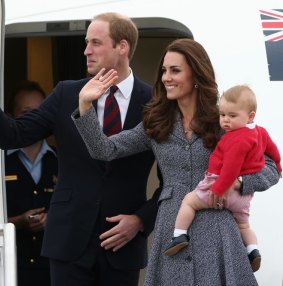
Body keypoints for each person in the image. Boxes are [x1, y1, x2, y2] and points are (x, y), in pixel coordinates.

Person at [73, 38, 281, 285]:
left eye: (175, 70)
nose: (166, 78)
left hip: (219, 230)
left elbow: (272, 168)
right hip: (172, 230)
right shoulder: (156, 122)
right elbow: (105, 149)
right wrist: (85, 104)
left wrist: (239, 182)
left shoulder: (224, 120)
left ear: (196, 75)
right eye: (164, 70)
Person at [0, 12, 162, 286]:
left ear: (122, 47)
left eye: (96, 43)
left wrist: (141, 220)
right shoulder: (66, 93)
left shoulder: (154, 103)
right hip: (68, 242)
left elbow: (174, 180)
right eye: (86, 42)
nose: (86, 50)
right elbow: (13, 135)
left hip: (122, 243)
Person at [163, 84, 282, 273]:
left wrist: (218, 190)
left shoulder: (235, 139)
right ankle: (253, 250)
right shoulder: (260, 132)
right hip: (243, 197)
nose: (225, 120)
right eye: (223, 115)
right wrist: (278, 165)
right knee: (243, 224)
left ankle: (179, 235)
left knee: (189, 202)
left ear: (250, 116)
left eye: (232, 116)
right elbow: (273, 150)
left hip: (219, 185)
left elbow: (230, 169)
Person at [5, 80, 58, 286]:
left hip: (52, 271)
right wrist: (18, 221)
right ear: (9, 117)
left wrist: (51, 219)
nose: (34, 120)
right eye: (27, 113)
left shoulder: (61, 161)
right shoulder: (1, 162)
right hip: (10, 269)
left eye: (39, 113)